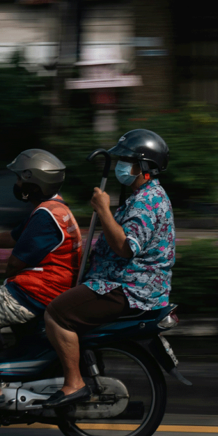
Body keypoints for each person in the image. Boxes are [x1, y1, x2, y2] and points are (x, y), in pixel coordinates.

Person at [42, 129, 175, 409]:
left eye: (127, 160)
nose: (121, 167)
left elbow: (126, 247)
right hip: (124, 282)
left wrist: (103, 210)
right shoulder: (145, 195)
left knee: (56, 313)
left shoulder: (146, 202)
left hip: (127, 288)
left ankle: (73, 383)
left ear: (145, 166)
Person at [0, 149, 82, 410]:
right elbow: (12, 237)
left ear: (34, 183)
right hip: (52, 287)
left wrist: (9, 277)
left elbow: (14, 263)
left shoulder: (45, 216)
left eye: (21, 179)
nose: (17, 185)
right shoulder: (55, 209)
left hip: (38, 292)